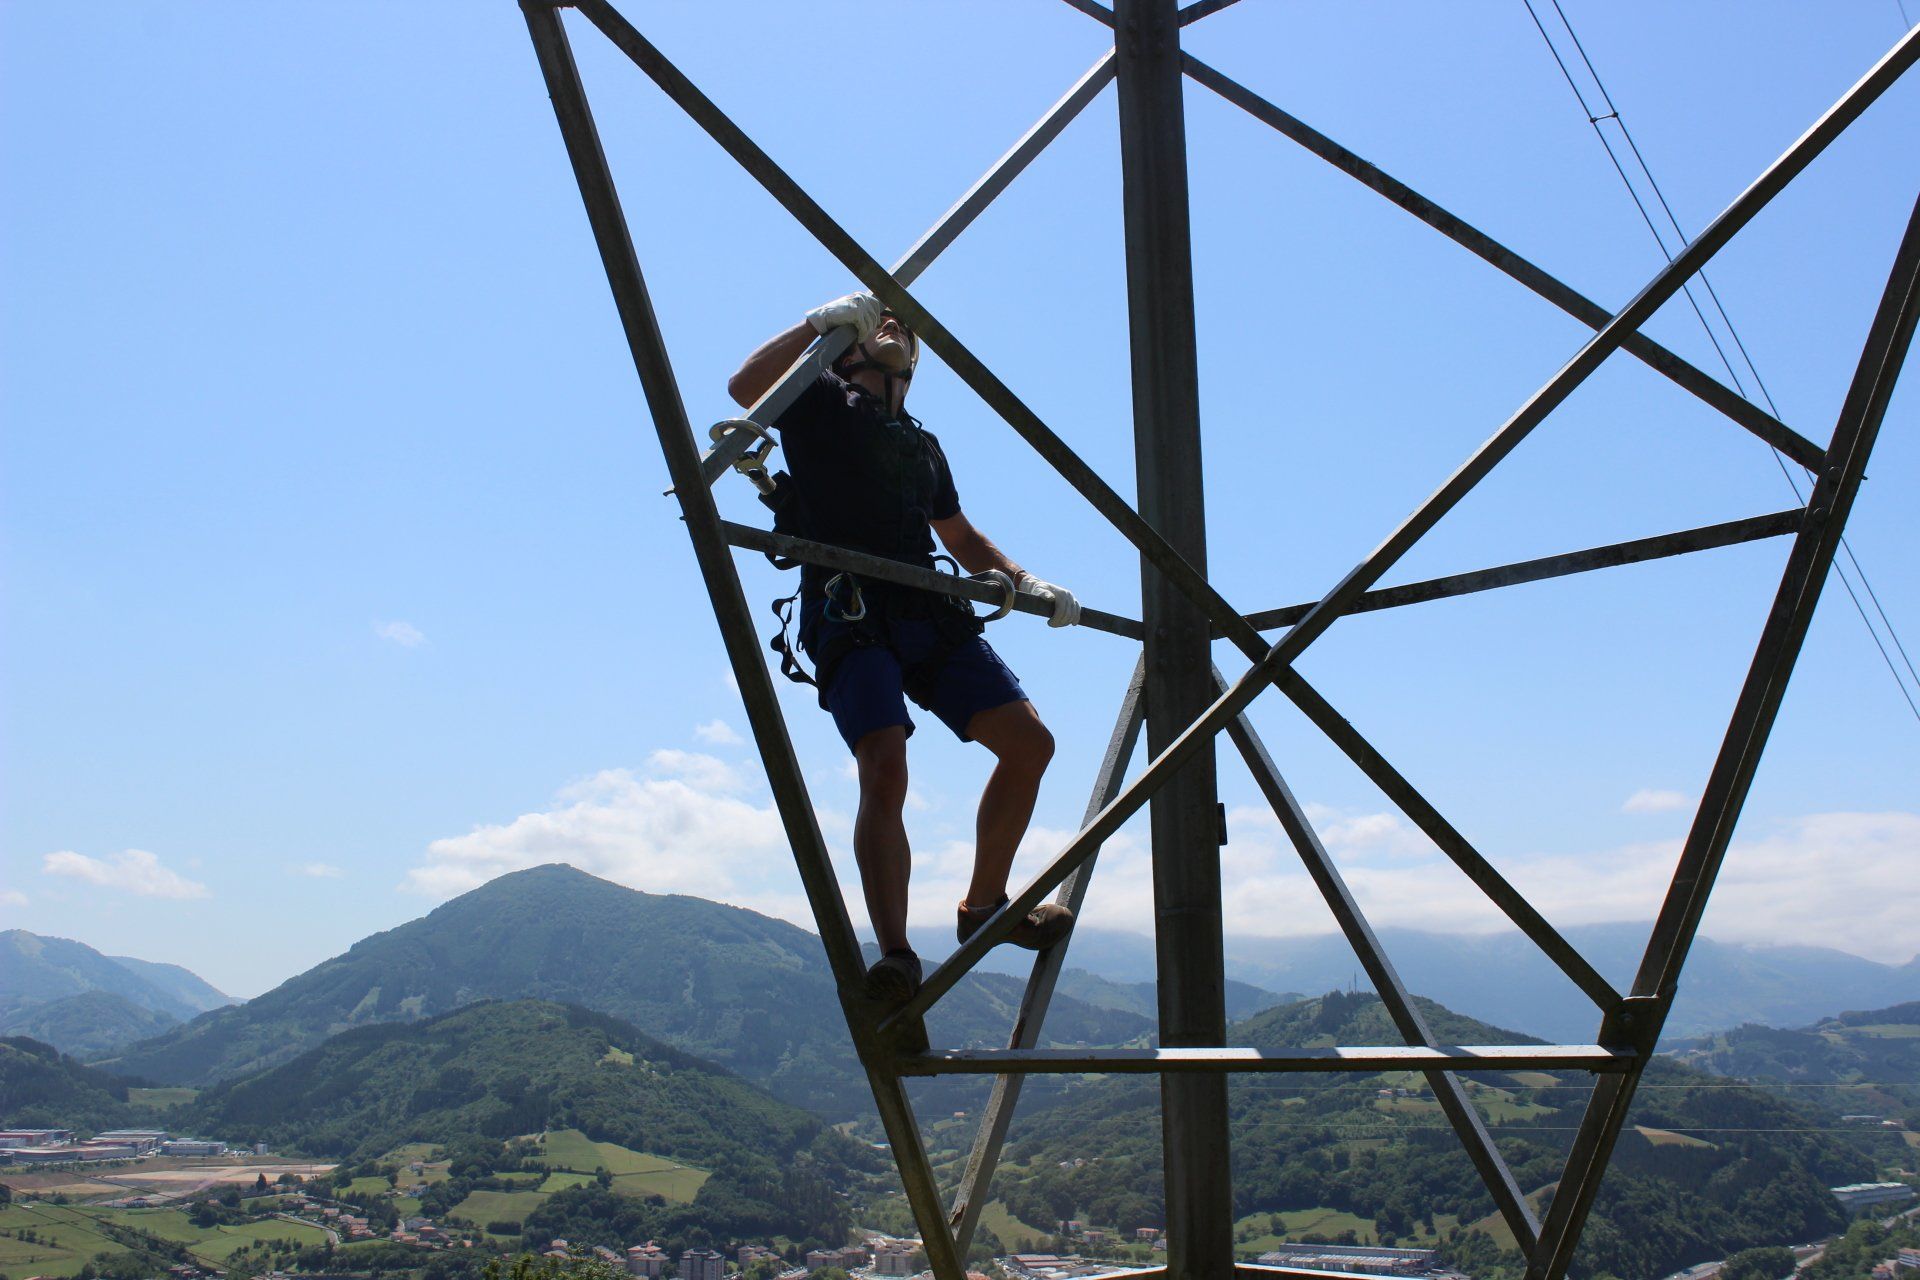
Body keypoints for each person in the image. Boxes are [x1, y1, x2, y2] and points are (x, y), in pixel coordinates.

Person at [728, 291, 1081, 1008]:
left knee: (1029, 743)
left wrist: (1022, 580)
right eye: (880, 320)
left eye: (904, 328)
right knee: (884, 768)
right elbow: (742, 388)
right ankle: (896, 956)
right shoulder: (817, 398)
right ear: (852, 347)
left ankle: (984, 907)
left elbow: (959, 536)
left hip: (923, 604)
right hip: (848, 604)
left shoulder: (922, 446)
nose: (895, 326)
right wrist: (818, 325)